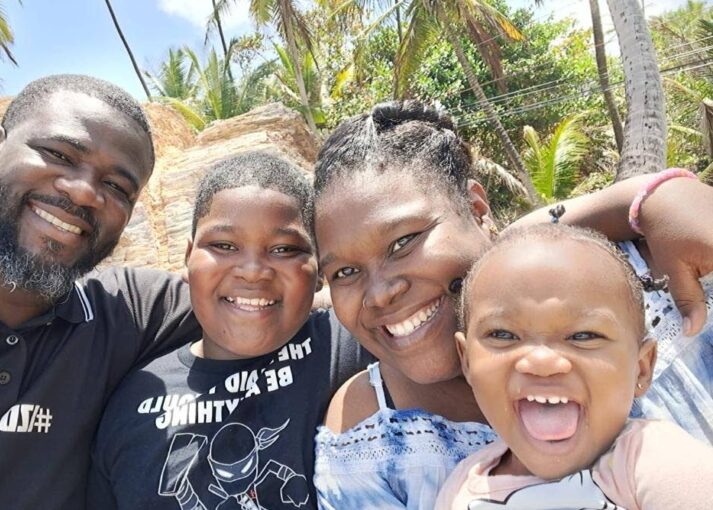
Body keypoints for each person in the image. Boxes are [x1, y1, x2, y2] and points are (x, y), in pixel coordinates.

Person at [312, 100, 713, 509]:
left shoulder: (646, 284)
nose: (380, 293)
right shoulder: (368, 444)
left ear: (477, 209)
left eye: (403, 242)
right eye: (344, 273)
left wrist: (659, 195)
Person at [0, 75, 200, 509]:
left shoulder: (123, 314)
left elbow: (265, 300)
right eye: (58, 154)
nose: (84, 192)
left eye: (117, 187)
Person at [87, 151, 367, 510]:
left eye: (284, 249)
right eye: (223, 246)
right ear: (188, 258)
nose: (252, 271)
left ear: (318, 270)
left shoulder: (351, 344)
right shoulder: (131, 405)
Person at [437, 223, 713, 509]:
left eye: (583, 336)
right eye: (503, 335)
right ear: (467, 360)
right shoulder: (461, 486)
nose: (542, 362)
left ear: (641, 368)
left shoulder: (655, 459)